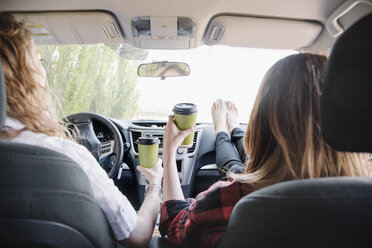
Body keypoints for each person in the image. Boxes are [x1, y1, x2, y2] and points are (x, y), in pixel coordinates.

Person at [159, 53, 369, 247]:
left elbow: (174, 222)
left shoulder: (233, 199)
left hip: (251, 180)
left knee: (236, 169)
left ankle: (224, 130)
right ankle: (230, 130)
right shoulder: (364, 200)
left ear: (260, 125)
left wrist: (169, 152)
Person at [0, 12, 161, 247]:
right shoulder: (66, 155)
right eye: (38, 61)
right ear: (22, 76)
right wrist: (155, 185)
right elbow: (138, 236)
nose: (43, 71)